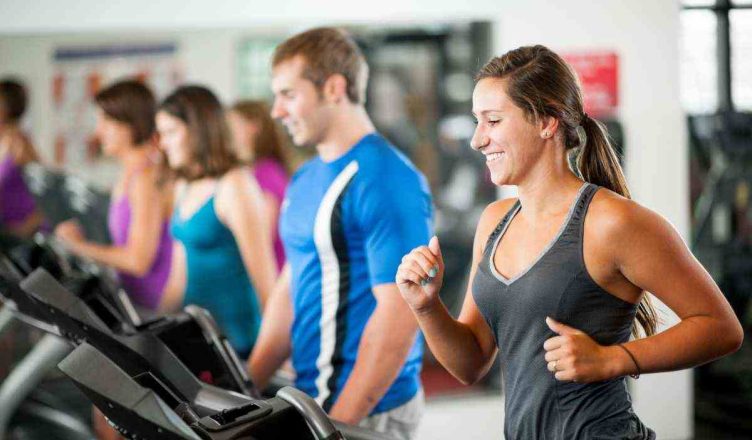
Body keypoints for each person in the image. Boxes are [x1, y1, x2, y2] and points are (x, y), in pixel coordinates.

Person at [396, 45, 744, 439]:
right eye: (478, 121)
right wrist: (425, 306)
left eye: (492, 120)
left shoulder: (613, 222)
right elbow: (471, 362)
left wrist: (614, 359)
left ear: (546, 121)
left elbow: (721, 327)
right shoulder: (495, 221)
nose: (478, 140)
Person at [248, 27, 432, 440]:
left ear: (333, 88)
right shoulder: (306, 177)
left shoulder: (386, 178)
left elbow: (399, 314)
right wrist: (246, 384)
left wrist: (337, 426)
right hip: (313, 397)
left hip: (367, 407)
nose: (277, 111)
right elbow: (290, 285)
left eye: (288, 94)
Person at [156, 85, 276, 358]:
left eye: (171, 132)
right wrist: (149, 330)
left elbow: (266, 284)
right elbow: (178, 279)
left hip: (235, 343)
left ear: (199, 130)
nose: (163, 144)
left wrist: (276, 357)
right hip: (194, 332)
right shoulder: (184, 184)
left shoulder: (236, 186)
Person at [55, 80, 173, 311]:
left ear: (132, 124)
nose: (98, 131)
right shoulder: (129, 174)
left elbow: (138, 261)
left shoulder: (145, 178)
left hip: (151, 308)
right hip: (129, 298)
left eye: (106, 122)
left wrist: (78, 246)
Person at [227, 100, 290, 270]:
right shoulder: (244, 172)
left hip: (270, 275)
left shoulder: (267, 174)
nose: (226, 132)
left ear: (253, 127)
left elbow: (262, 236)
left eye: (232, 125)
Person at [0, 78, 43, 238]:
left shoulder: (20, 144)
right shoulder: (4, 142)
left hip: (24, 239)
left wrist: (24, 229)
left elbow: (47, 196)